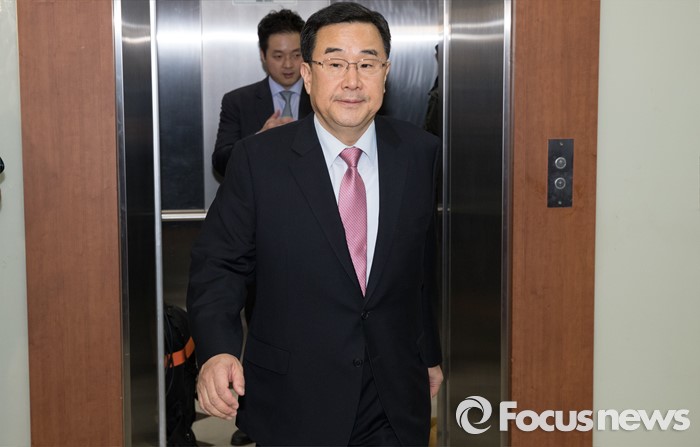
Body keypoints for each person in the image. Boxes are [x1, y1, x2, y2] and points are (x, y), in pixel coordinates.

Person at [187, 2, 444, 445]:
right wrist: (217, 351)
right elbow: (219, 265)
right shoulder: (258, 160)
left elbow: (420, 266)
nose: (352, 80)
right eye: (335, 63)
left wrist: (429, 353)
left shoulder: (420, 153)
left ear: (385, 73)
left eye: (367, 64)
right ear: (308, 75)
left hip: (393, 397)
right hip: (294, 398)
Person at [212, 8, 312, 177]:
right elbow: (220, 162)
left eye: (296, 55)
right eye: (278, 56)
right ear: (263, 55)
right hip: (258, 191)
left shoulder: (322, 97)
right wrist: (258, 138)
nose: (288, 64)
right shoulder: (237, 102)